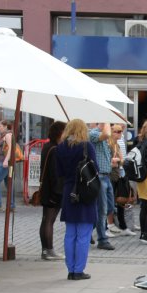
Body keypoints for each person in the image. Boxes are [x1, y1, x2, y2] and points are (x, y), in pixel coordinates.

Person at [55, 119, 98, 280]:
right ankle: (79, 270)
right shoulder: (87, 146)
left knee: (70, 233)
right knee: (84, 234)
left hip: (68, 191)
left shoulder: (60, 147)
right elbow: (95, 169)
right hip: (85, 191)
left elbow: (59, 172)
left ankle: (71, 269)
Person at [39, 121, 66, 261]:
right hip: (53, 190)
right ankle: (49, 250)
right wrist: (59, 192)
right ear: (59, 133)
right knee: (49, 220)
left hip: (47, 188)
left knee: (46, 220)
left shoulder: (47, 146)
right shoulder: (55, 149)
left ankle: (45, 250)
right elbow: (55, 174)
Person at [88, 122, 115, 251]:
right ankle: (102, 240)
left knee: (109, 207)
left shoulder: (105, 136)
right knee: (102, 209)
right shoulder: (93, 133)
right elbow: (106, 134)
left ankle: (87, 231)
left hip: (107, 176)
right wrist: (107, 122)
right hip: (99, 177)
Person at [112, 123, 137, 236]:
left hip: (120, 173)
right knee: (113, 202)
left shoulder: (118, 142)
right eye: (117, 131)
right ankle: (113, 225)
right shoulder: (110, 144)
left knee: (121, 201)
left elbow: (121, 159)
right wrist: (118, 161)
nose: (120, 133)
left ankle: (123, 225)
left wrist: (119, 161)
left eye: (120, 131)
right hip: (113, 175)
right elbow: (115, 161)